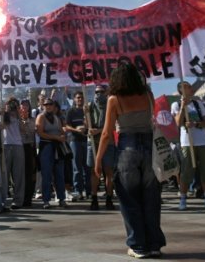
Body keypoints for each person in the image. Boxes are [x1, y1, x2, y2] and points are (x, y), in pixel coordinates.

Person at [95, 61, 165, 259]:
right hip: (149, 146)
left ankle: (137, 245)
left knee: (129, 198)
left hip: (127, 148)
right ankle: (153, 244)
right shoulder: (147, 95)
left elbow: (107, 133)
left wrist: (99, 159)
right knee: (151, 198)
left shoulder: (114, 99)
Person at [170, 81, 205, 210]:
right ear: (181, 91)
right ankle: (183, 199)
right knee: (186, 171)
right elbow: (178, 123)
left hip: (202, 141)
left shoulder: (198, 103)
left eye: (190, 87)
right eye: (187, 87)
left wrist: (196, 124)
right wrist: (183, 106)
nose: (190, 89)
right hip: (187, 143)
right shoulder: (176, 104)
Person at [87, 84, 115, 210]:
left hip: (107, 142)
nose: (98, 94)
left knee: (109, 172)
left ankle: (109, 199)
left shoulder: (111, 105)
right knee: (94, 171)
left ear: (106, 92)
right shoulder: (90, 106)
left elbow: (111, 125)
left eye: (101, 92)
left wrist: (98, 131)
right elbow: (87, 125)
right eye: (96, 92)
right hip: (93, 142)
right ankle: (94, 199)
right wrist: (86, 115)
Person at [35, 98, 67, 209]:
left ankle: (61, 198)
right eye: (46, 104)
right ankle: (46, 200)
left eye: (50, 104)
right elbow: (40, 133)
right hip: (46, 147)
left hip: (57, 147)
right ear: (43, 106)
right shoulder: (41, 117)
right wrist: (55, 137)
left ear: (54, 106)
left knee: (59, 174)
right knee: (46, 175)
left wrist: (63, 136)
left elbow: (62, 131)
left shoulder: (57, 118)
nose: (48, 106)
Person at [65, 90, 89, 202]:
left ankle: (88, 191)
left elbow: (90, 124)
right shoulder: (71, 111)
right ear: (74, 99)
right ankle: (78, 190)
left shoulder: (87, 111)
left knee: (87, 167)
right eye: (77, 97)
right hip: (75, 141)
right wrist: (76, 130)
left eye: (81, 98)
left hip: (86, 141)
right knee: (77, 168)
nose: (79, 99)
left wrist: (86, 125)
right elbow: (66, 127)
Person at [2, 96, 25, 209]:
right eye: (11, 104)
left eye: (14, 104)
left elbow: (23, 129)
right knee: (4, 175)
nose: (12, 107)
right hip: (6, 145)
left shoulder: (18, 116)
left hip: (18, 145)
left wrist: (19, 115)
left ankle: (18, 200)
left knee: (18, 175)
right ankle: (3, 200)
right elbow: (2, 126)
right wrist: (5, 112)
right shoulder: (3, 115)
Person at [18, 99, 37, 207]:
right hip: (19, 147)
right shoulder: (16, 120)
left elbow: (33, 137)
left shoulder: (33, 120)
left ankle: (28, 198)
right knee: (20, 174)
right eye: (22, 106)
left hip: (29, 148)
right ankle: (21, 197)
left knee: (30, 174)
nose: (24, 108)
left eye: (26, 106)